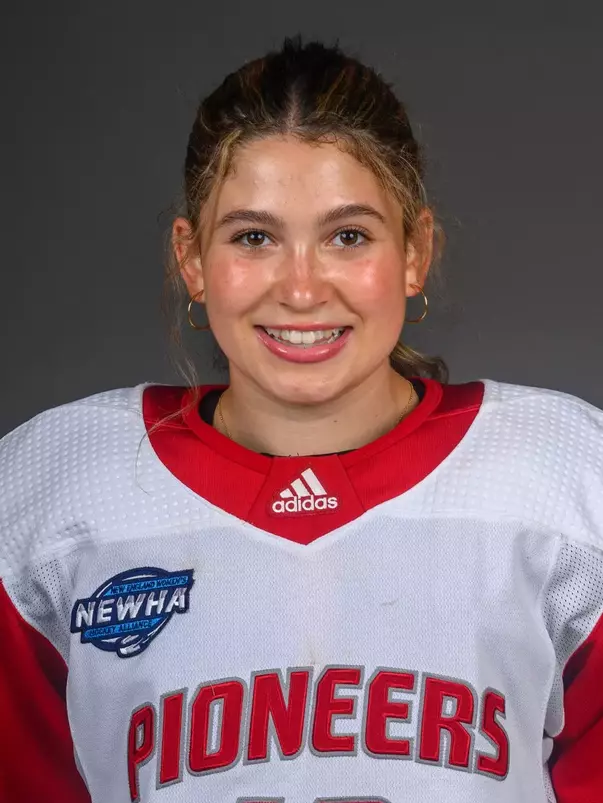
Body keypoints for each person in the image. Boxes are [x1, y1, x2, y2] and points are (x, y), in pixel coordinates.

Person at [0, 36, 601, 803]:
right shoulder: (53, 491)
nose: (302, 288)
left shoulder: (565, 480)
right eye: (253, 237)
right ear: (191, 260)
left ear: (415, 252)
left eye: (347, 236)